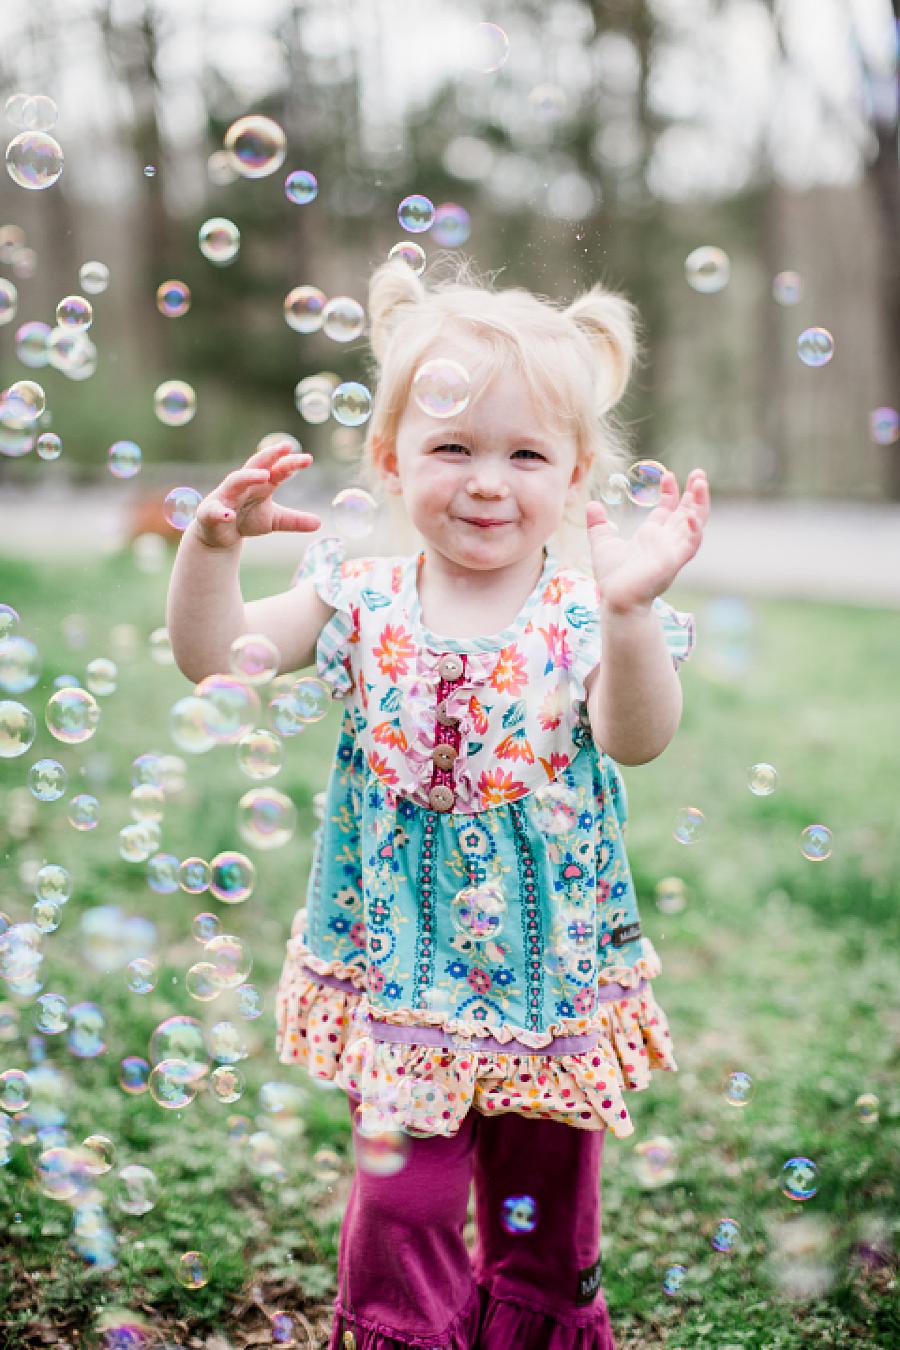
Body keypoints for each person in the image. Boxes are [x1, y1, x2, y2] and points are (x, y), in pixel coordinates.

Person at [166, 257, 710, 1350]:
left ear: (574, 476)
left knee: (545, 1217)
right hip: (401, 965)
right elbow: (214, 656)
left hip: (548, 979)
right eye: (452, 447)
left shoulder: (579, 614)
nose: (487, 482)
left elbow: (636, 740)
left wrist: (633, 610)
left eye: (525, 454)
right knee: (403, 1207)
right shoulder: (353, 594)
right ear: (390, 457)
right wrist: (211, 547)